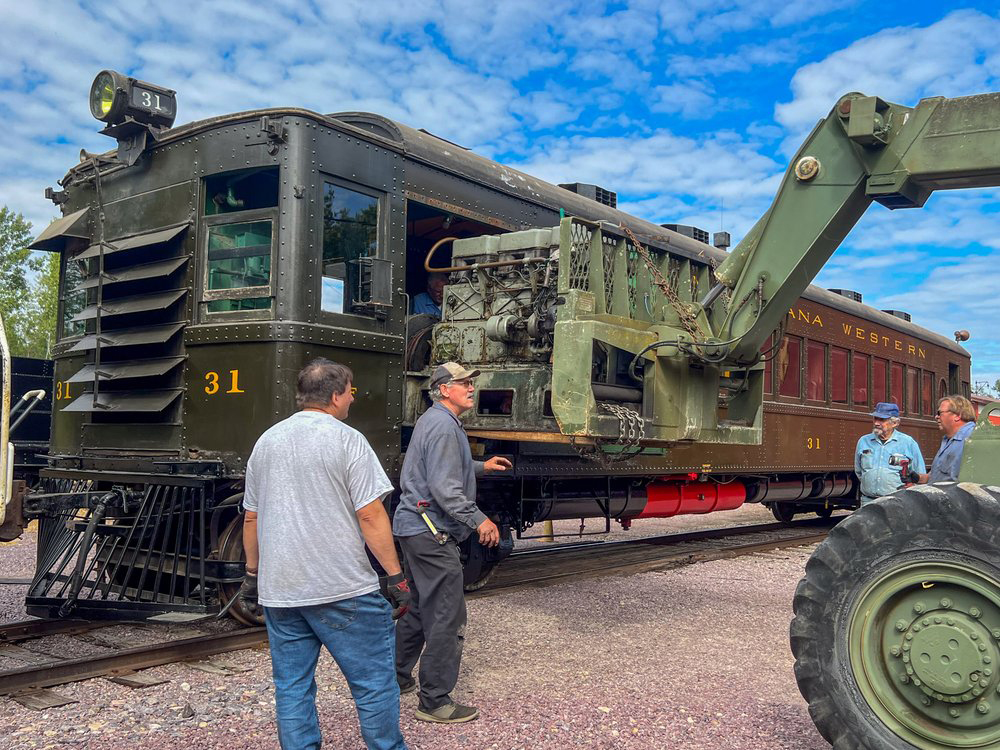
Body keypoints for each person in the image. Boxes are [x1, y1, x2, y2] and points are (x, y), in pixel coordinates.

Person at [241, 358, 411, 750]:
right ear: (336, 395)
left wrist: (253, 574)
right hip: (342, 588)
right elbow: (370, 514)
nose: (353, 398)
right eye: (351, 391)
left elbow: (252, 518)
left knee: (293, 687)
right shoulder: (347, 439)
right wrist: (394, 577)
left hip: (281, 592)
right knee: (373, 685)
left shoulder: (266, 442)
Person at [393, 362, 512, 723]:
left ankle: (394, 677)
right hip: (432, 531)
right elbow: (446, 489)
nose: (471, 388)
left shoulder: (434, 421)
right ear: (445, 389)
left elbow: (439, 469)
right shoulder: (444, 427)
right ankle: (435, 701)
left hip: (413, 527)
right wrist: (480, 520)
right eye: (464, 383)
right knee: (447, 614)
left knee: (416, 605)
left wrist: (480, 467)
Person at [854, 402, 926, 505]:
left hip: (897, 502)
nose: (876, 423)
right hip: (868, 502)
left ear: (895, 423)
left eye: (882, 419)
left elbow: (920, 475)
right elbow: (859, 472)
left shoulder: (908, 443)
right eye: (875, 418)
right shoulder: (863, 441)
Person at [922, 394, 976, 483]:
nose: (936, 417)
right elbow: (938, 477)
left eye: (940, 413)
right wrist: (918, 478)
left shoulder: (973, 438)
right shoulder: (948, 440)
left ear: (958, 416)